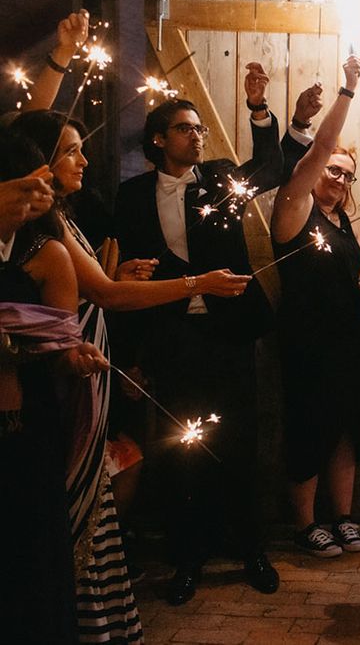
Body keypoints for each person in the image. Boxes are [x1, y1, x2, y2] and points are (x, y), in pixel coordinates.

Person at [11, 109, 251, 638]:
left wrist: (112, 274)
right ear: (39, 162)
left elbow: (96, 285)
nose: (84, 159)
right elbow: (104, 294)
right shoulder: (49, 228)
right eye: (71, 149)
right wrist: (196, 284)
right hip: (68, 375)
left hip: (106, 360)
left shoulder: (63, 219)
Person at [113, 62, 284, 606]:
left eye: (199, 127)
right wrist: (126, 284)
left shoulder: (218, 179)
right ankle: (187, 559)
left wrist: (259, 107)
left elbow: (274, 164)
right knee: (181, 449)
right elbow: (118, 268)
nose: (196, 135)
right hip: (172, 339)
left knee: (239, 443)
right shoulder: (133, 195)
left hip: (229, 333)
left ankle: (252, 551)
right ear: (160, 139)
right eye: (185, 128)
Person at [0, 132, 108, 644]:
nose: (31, 202)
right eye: (21, 190)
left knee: (32, 545)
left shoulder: (47, 253)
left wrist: (74, 357)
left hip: (28, 422)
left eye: (36, 192)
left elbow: (60, 342)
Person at [271, 55, 360, 558]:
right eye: (333, 170)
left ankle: (345, 517)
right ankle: (306, 523)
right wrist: (348, 90)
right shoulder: (294, 208)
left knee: (347, 429)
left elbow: (349, 279)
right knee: (309, 427)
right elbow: (323, 146)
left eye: (349, 176)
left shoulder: (347, 224)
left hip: (351, 339)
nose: (339, 179)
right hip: (308, 341)